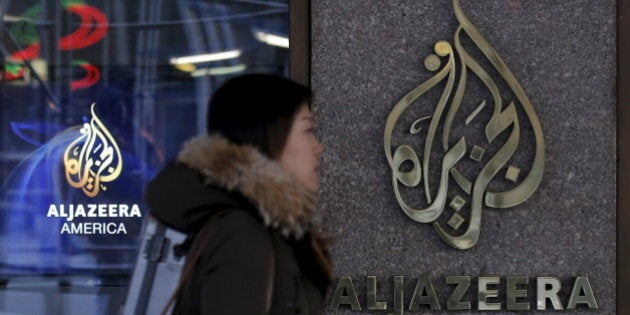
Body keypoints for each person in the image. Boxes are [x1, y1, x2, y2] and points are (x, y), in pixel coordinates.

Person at [145, 74, 331, 314]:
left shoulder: (265, 228)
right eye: (309, 130)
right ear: (268, 134)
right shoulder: (242, 235)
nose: (318, 147)